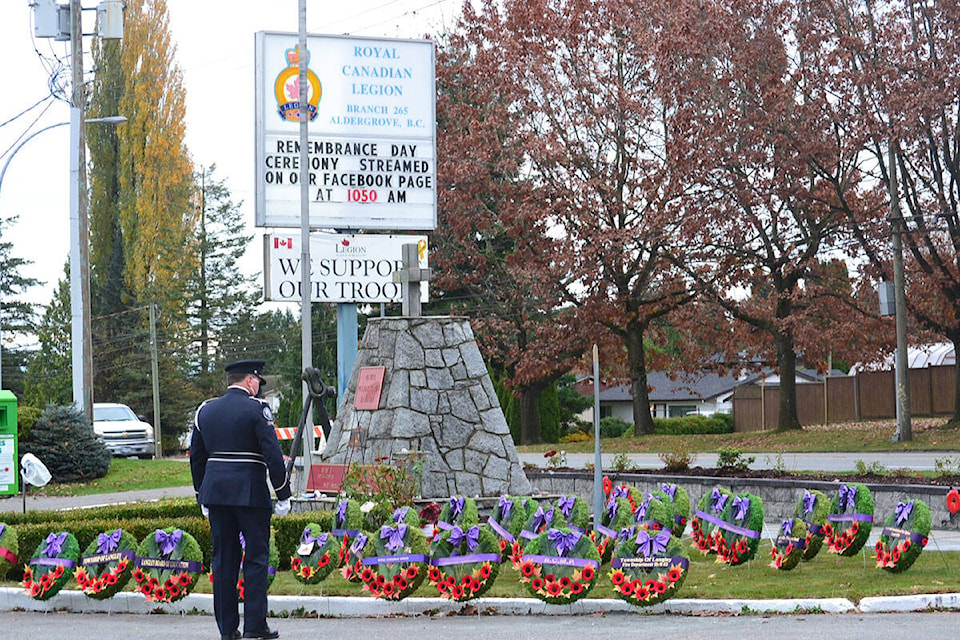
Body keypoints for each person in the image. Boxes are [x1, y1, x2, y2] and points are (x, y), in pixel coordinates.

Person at [190, 359, 291, 640]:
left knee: (223, 559)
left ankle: (227, 629)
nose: (259, 386)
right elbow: (272, 453)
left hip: (217, 495)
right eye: (258, 380)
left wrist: (202, 495)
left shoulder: (206, 411)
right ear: (249, 380)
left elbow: (196, 457)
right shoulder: (258, 410)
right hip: (250, 494)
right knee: (256, 558)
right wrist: (282, 492)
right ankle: (254, 625)